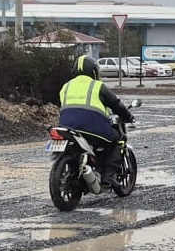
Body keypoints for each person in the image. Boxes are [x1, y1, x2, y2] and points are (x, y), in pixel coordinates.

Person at [58, 55, 136, 187]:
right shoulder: (97, 86)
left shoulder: (66, 86)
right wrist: (128, 117)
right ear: (93, 71)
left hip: (67, 128)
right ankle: (109, 177)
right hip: (92, 128)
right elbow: (115, 104)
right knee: (119, 139)